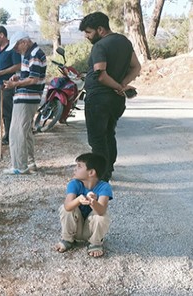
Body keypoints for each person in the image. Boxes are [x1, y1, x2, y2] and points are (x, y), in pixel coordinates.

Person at [79, 11, 141, 181]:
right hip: (115, 101)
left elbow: (101, 74)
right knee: (108, 134)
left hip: (99, 99)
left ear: (100, 29)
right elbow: (136, 67)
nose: (86, 36)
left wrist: (117, 86)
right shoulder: (125, 42)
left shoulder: (100, 46)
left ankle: (101, 176)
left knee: (97, 139)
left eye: (88, 32)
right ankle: (108, 169)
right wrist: (121, 85)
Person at [2, 31, 46, 175]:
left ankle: (20, 166)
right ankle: (30, 162)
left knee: (17, 132)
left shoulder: (34, 55)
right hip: (28, 97)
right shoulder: (31, 54)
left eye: (16, 47)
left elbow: (33, 79)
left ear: (24, 42)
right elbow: (30, 75)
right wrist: (18, 77)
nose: (16, 50)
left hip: (27, 97)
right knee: (25, 131)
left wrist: (15, 84)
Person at [54, 153, 112, 258]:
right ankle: (67, 239)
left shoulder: (104, 187)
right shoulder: (74, 184)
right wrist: (78, 200)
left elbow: (101, 210)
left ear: (91, 172)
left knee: (103, 216)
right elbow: (67, 206)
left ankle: (95, 242)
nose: (75, 169)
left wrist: (93, 202)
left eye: (79, 166)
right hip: (75, 228)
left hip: (89, 231)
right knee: (65, 208)